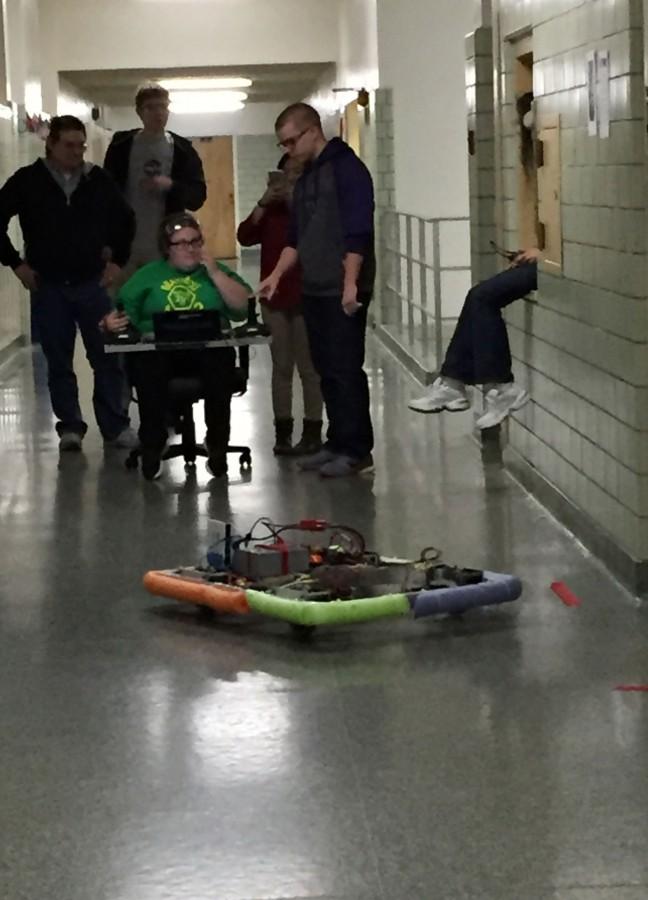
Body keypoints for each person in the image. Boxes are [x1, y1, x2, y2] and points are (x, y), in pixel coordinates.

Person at [0, 115, 136, 452]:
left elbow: (125, 220)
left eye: (81, 146)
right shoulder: (27, 181)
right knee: (58, 359)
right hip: (49, 287)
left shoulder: (97, 180)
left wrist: (117, 260)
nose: (77, 152)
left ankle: (115, 425)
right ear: (51, 144)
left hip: (93, 285)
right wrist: (16, 264)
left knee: (106, 356)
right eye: (69, 145)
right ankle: (70, 426)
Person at [259, 103, 376, 478]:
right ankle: (337, 442)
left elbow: (358, 231)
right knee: (325, 368)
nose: (287, 150)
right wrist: (277, 274)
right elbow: (297, 235)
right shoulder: (307, 176)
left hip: (342, 287)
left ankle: (358, 450)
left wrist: (350, 285)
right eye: (283, 144)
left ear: (313, 131)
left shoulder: (348, 170)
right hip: (313, 285)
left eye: (291, 141)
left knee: (345, 368)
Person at [103, 213, 251, 481]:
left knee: (220, 365)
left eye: (195, 241)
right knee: (149, 369)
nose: (190, 248)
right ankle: (152, 445)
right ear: (167, 248)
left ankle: (217, 444)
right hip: (160, 351)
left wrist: (215, 273)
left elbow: (242, 307)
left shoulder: (214, 271)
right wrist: (109, 322)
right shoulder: (148, 275)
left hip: (208, 349)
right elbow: (121, 314)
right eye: (180, 243)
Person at [237, 155, 323, 456]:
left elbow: (317, 238)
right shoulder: (270, 210)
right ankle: (282, 432)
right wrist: (263, 203)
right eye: (287, 174)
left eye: (298, 174)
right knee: (282, 366)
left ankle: (313, 430)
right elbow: (244, 236)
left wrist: (294, 204)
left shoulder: (314, 207)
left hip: (306, 294)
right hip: (274, 297)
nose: (291, 179)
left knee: (309, 368)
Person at [408, 248, 540, 429]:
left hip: (553, 265)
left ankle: (500, 388)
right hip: (543, 263)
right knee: (477, 296)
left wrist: (543, 254)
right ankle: (454, 383)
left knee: (482, 298)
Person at [103, 83, 207, 274]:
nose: (158, 113)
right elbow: (105, 196)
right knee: (125, 298)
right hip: (126, 244)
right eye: (151, 107)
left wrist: (171, 185)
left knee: (161, 297)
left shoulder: (183, 150)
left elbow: (197, 197)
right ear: (139, 112)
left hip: (165, 243)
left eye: (163, 107)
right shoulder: (121, 147)